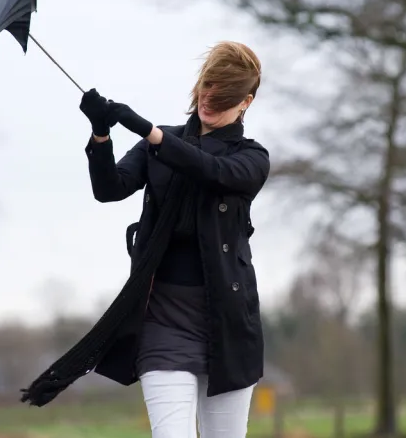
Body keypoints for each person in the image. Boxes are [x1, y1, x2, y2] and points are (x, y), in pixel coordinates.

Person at [77, 41, 270, 438]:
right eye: (207, 89)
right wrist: (101, 135)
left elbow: (212, 171)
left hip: (227, 325)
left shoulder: (251, 158)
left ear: (246, 102)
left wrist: (151, 133)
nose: (210, 101)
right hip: (163, 321)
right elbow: (110, 188)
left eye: (224, 97)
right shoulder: (159, 144)